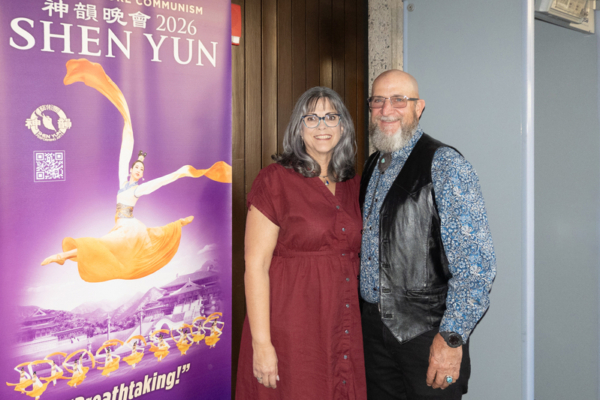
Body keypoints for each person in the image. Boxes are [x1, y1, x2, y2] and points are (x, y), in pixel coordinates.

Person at [359, 70, 496, 399]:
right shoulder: (372, 165)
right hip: (373, 336)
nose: (386, 109)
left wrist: (451, 338)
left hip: (426, 335)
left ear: (418, 108)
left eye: (399, 100)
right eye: (378, 100)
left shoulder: (446, 164)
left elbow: (477, 265)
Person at [40, 58, 231, 282]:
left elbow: (164, 180)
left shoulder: (139, 189)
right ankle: (179, 223)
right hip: (119, 227)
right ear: (132, 169)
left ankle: (61, 256)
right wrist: (127, 124)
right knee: (102, 249)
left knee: (99, 245)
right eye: (136, 167)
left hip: (129, 230)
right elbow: (126, 149)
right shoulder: (123, 182)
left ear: (142, 174)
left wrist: (182, 171)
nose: (139, 170)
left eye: (141, 169)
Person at [236, 87, 366, 399]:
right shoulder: (274, 180)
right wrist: (261, 344)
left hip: (341, 321)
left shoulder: (353, 182)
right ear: (298, 128)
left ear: (343, 126)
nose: (322, 126)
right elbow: (255, 266)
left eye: (331, 117)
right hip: (291, 324)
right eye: (312, 118)